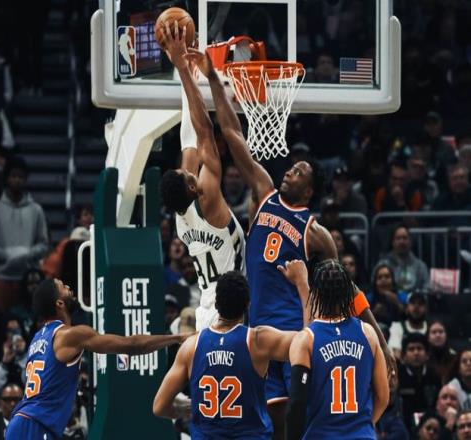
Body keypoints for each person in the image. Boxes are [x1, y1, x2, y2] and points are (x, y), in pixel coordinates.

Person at [185, 45, 395, 439]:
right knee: (266, 425)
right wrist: (213, 77)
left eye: (298, 171)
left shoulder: (315, 233)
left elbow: (346, 289)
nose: (289, 172)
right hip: (258, 334)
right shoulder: (263, 193)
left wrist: (378, 339)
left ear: (310, 189)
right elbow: (232, 134)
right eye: (292, 167)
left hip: (295, 336)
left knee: (292, 423)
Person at [5, 278, 188, 439]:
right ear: (59, 303)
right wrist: (177, 338)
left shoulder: (37, 338)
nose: (69, 287)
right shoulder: (69, 335)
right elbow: (132, 345)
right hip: (35, 425)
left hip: (24, 422)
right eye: (62, 286)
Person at [154, 260, 310, 439]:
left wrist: (186, 410)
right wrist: (302, 284)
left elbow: (159, 406)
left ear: (216, 304)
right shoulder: (258, 341)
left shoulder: (191, 346)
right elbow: (309, 341)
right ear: (248, 305)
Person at [159, 23, 245, 330]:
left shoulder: (182, 216)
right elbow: (205, 132)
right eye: (188, 174)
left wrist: (185, 71)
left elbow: (189, 140)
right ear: (194, 187)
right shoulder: (208, 199)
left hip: (207, 307)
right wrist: (186, 69)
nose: (189, 169)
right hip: (227, 311)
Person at [286, 259, 389, 440]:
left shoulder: (306, 339)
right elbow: (382, 396)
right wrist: (364, 424)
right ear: (349, 294)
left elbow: (297, 402)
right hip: (361, 435)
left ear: (315, 295)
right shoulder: (368, 333)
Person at [0, 156, 48, 314]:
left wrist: (27, 254)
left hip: (30, 278)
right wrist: (6, 255)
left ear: (25, 179)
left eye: (21, 176)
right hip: (3, 277)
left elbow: (44, 244)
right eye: (13, 176)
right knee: (2, 321)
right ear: (7, 178)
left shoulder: (36, 210)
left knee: (34, 318)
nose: (17, 180)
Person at [397, 333, 441, 430]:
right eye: (411, 349)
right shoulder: (397, 376)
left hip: (430, 425)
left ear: (427, 354)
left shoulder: (435, 376)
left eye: (419, 348)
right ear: (403, 355)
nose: (416, 353)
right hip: (403, 424)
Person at [377, 224, 430, 292]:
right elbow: (375, 288)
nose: (401, 242)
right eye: (398, 238)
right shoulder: (383, 265)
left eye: (404, 238)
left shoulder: (421, 266)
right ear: (393, 242)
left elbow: (426, 288)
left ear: (410, 241)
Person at [388, 292, 430, 358]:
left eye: (420, 304)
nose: (416, 306)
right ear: (406, 308)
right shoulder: (397, 327)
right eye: (413, 303)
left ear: (426, 309)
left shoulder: (432, 328)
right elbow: (394, 353)